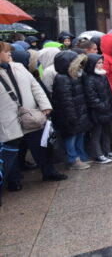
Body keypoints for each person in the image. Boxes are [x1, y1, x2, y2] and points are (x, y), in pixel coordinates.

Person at [0, 42, 60, 205]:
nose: (10, 54)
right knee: (10, 153)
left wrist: (45, 105)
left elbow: (35, 87)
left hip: (30, 114)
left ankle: (48, 172)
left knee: (41, 145)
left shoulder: (18, 66)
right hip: (7, 119)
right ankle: (13, 181)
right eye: (6, 52)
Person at [51, 50, 93, 169]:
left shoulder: (74, 76)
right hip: (70, 114)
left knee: (79, 134)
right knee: (71, 137)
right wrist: (72, 116)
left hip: (78, 112)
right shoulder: (62, 78)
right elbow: (66, 101)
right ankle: (73, 159)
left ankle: (80, 156)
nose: (80, 66)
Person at [82, 54, 112, 164]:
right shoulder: (89, 79)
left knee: (106, 132)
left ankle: (107, 151)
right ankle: (98, 154)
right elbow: (92, 98)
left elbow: (108, 92)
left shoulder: (102, 76)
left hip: (106, 110)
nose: (101, 65)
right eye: (98, 63)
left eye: (101, 62)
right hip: (98, 112)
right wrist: (103, 106)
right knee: (96, 134)